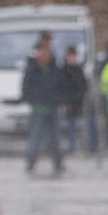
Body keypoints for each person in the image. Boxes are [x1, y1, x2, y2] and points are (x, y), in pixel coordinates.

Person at [22, 45, 68, 176]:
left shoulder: (56, 71)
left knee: (55, 140)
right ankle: (30, 164)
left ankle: (58, 164)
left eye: (47, 54)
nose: (44, 56)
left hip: (53, 109)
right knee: (35, 140)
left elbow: (62, 87)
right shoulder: (32, 71)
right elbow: (26, 89)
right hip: (38, 109)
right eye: (42, 54)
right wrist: (33, 101)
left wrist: (60, 100)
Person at [62, 46, 87, 153]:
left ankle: (81, 145)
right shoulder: (64, 70)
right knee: (70, 124)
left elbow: (83, 85)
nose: (73, 58)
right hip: (69, 101)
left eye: (74, 56)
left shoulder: (79, 69)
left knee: (80, 124)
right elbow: (62, 86)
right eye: (71, 56)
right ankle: (71, 145)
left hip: (79, 101)